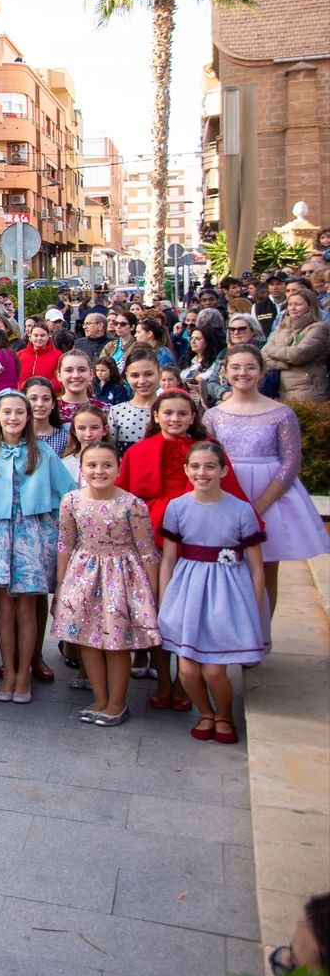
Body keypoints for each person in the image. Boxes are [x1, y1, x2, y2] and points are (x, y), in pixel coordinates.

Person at [0, 391, 76, 705]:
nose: (13, 418)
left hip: (32, 534)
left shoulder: (42, 453)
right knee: (5, 607)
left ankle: (25, 673)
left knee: (27, 607)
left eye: (20, 412)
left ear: (28, 417)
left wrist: (61, 533)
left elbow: (67, 494)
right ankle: (10, 669)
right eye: (7, 412)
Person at [205, 345, 330, 613]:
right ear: (225, 372)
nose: (243, 373)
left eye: (250, 367)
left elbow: (291, 462)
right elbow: (206, 458)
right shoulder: (213, 415)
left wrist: (260, 505)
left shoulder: (281, 413)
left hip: (270, 496)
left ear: (262, 372)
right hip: (226, 494)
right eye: (235, 367)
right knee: (224, 567)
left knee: (264, 568)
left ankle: (260, 638)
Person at [158, 441, 268, 744]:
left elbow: (256, 567)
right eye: (195, 466)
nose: (201, 472)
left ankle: (224, 714)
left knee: (215, 671)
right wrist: (166, 600)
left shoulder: (241, 510)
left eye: (209, 466)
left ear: (223, 470)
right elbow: (168, 559)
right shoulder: (177, 507)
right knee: (188, 671)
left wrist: (253, 609)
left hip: (226, 592)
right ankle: (205, 711)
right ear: (186, 470)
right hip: (188, 589)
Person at [53, 441, 161, 726]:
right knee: (87, 637)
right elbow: (65, 543)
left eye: (106, 465)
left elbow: (147, 550)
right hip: (83, 573)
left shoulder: (132, 504)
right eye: (92, 465)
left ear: (118, 467)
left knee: (116, 641)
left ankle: (117, 702)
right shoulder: (72, 501)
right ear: (82, 468)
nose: (99, 471)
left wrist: (152, 591)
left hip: (121, 576)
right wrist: (62, 583)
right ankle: (100, 697)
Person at [261, 288, 330, 402]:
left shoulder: (319, 328)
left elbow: (298, 355)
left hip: (309, 392)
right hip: (281, 391)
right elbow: (263, 353)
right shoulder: (281, 327)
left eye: (298, 304)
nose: (292, 308)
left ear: (310, 306)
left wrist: (275, 353)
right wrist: (284, 363)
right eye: (290, 304)